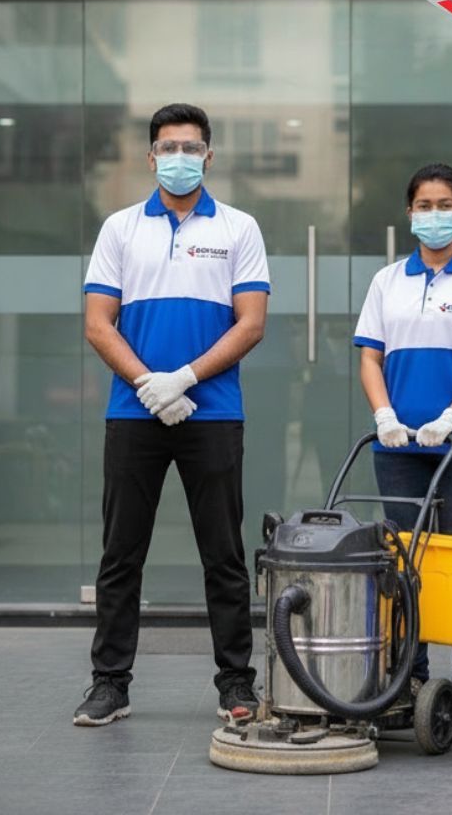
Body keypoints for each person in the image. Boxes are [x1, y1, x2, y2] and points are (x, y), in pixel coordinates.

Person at [73, 103, 269, 727]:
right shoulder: (120, 228)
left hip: (212, 413)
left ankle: (236, 684)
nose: (178, 157)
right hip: (133, 414)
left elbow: (252, 322)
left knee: (223, 553)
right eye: (167, 146)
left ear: (209, 155)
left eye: (190, 146)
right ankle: (110, 684)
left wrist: (183, 379)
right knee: (121, 553)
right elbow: (98, 323)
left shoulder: (239, 228)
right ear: (150, 156)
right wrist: (146, 384)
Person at [353, 163, 452, 709]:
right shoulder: (386, 281)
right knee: (402, 558)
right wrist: (384, 417)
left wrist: (451, 417)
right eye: (424, 205)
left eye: (445, 205)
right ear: (409, 214)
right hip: (398, 446)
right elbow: (371, 357)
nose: (434, 214)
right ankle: (411, 671)